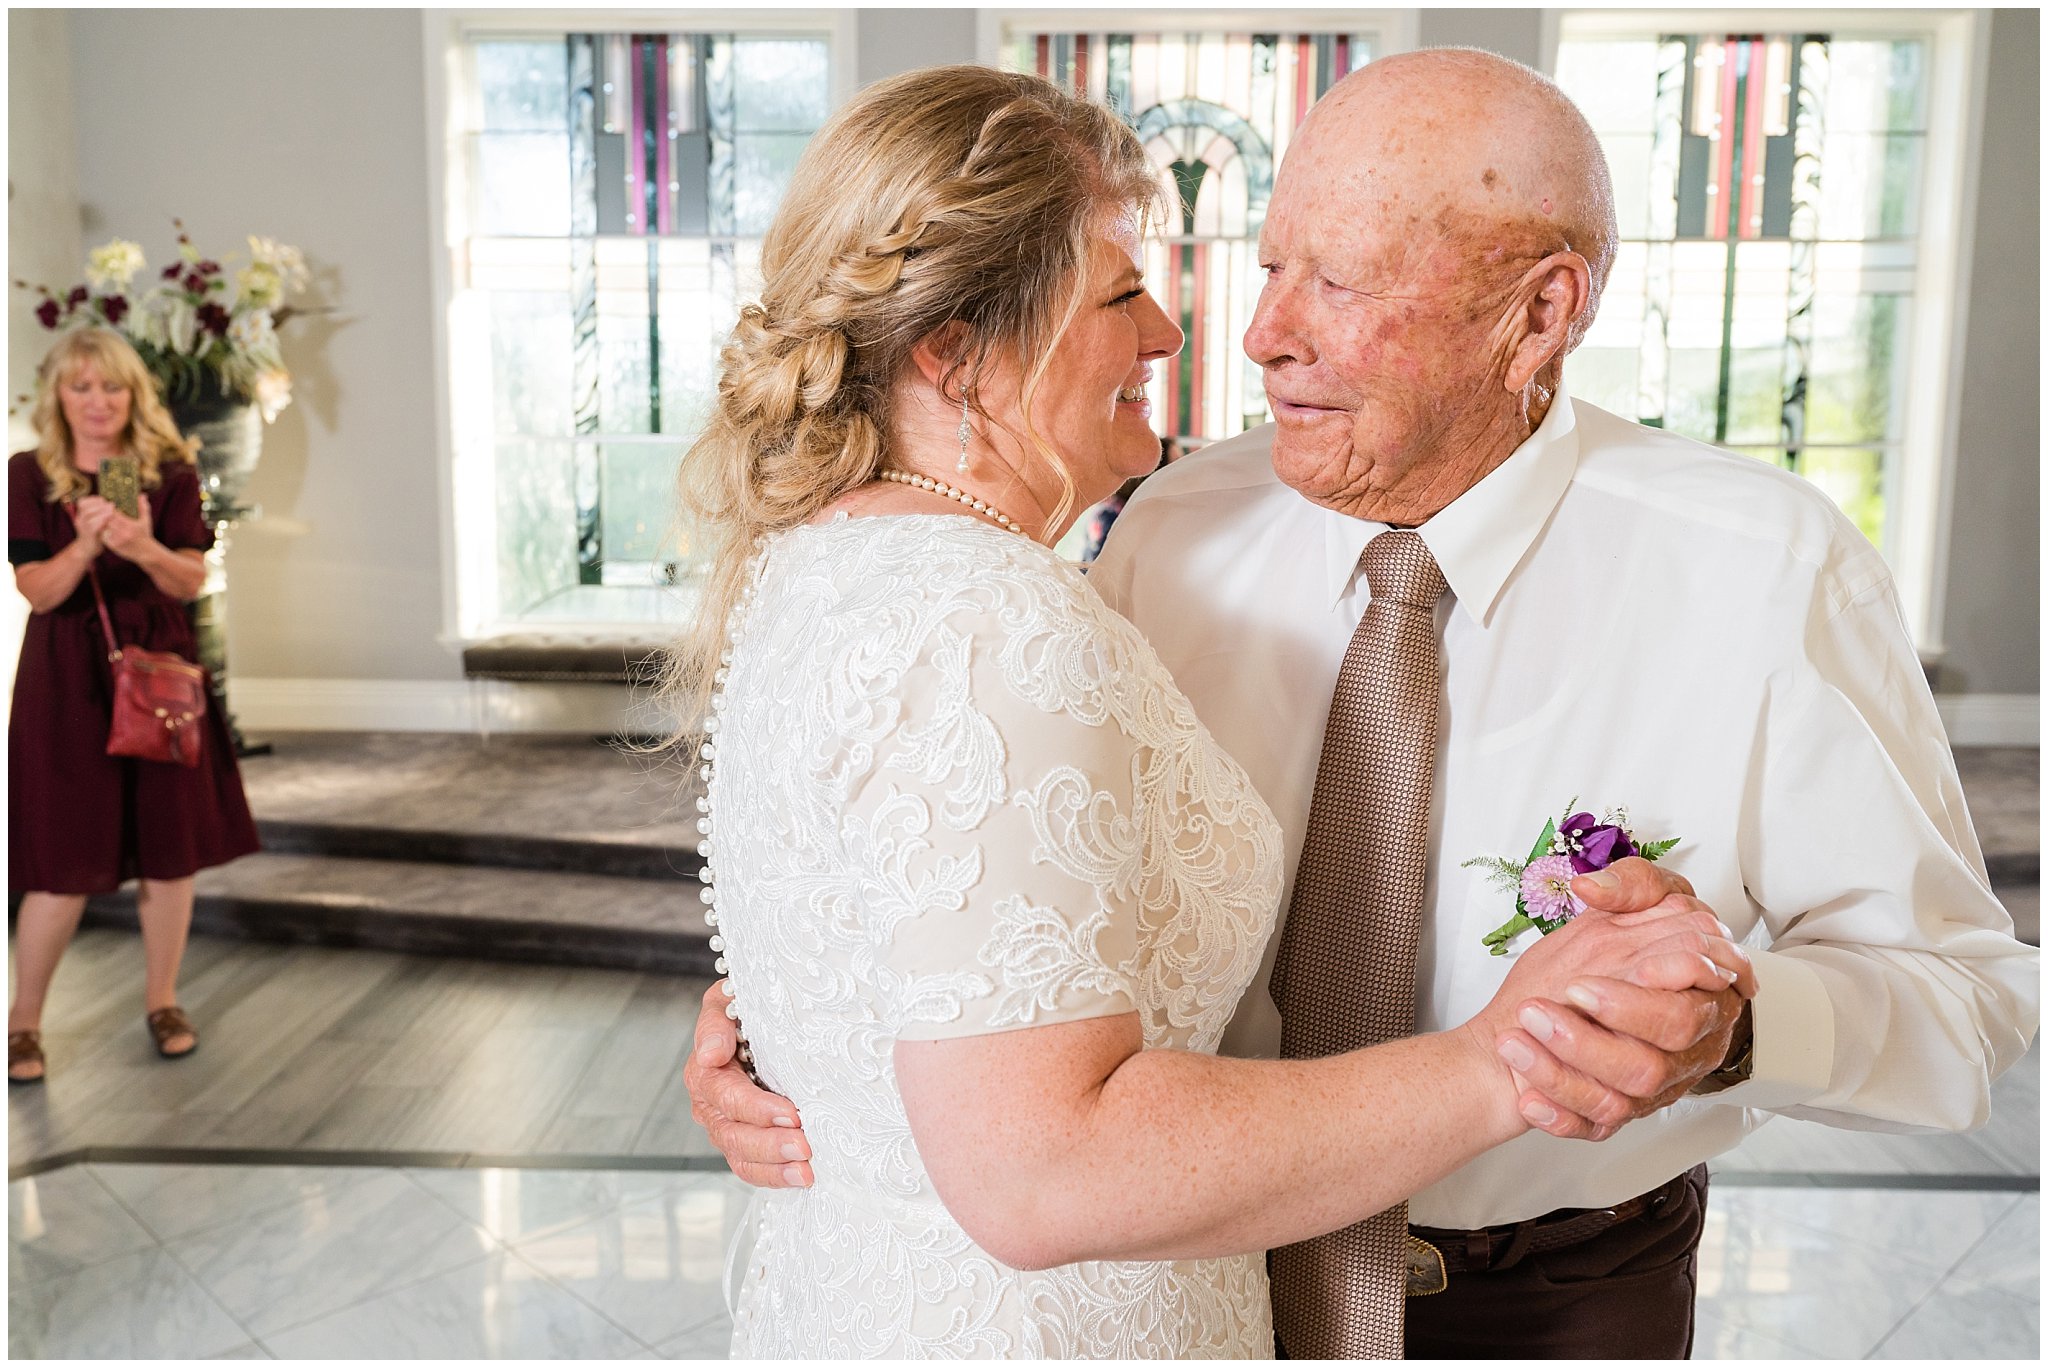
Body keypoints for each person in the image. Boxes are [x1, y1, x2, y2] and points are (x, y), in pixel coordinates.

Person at [689, 49, 2040, 1359]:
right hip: (1195, 1272)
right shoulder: (1170, 528)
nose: (1258, 335)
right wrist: (798, 1020)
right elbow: (993, 860)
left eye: (1334, 281)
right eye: (1270, 267)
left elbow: (1967, 1012)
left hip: (1557, 1306)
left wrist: (1737, 1026)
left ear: (1541, 310)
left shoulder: (1767, 569)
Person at [8, 328, 261, 1083]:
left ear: (133, 395)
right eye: (80, 387)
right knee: (60, 858)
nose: (96, 402)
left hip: (156, 670)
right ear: (58, 395)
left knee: (166, 846)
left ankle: (163, 999)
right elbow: (39, 591)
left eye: (111, 387)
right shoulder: (32, 474)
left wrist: (141, 544)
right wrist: (86, 547)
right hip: (65, 680)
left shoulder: (167, 471)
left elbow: (188, 580)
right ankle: (23, 1023)